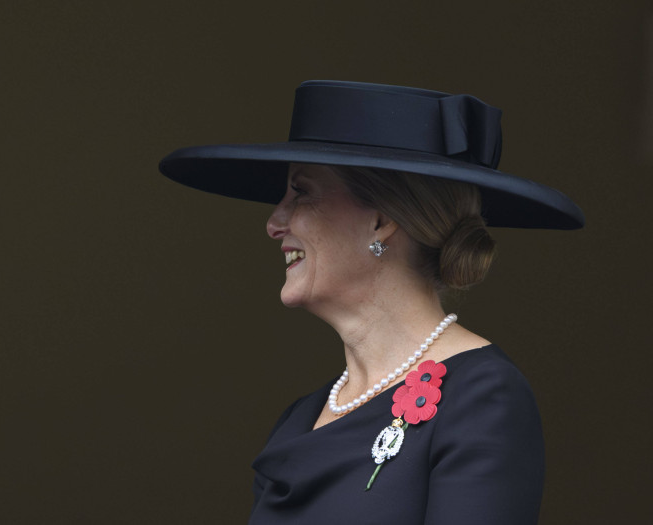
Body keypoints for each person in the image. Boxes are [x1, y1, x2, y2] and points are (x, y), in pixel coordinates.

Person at [159, 80, 584, 524]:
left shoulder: (481, 398)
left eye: (300, 192)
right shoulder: (300, 418)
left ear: (381, 220)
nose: (273, 222)